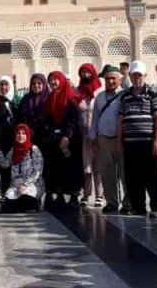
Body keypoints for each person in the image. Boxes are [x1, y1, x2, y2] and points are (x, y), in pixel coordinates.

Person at [118, 61, 157, 218]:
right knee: (133, 176)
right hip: (130, 143)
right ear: (130, 76)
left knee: (153, 175)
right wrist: (119, 142)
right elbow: (120, 120)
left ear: (145, 76)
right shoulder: (125, 95)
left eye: (140, 75)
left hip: (148, 141)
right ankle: (138, 206)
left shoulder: (153, 93)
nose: (137, 78)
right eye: (134, 75)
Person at [37, 71, 84, 207]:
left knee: (71, 167)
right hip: (54, 139)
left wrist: (66, 136)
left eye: (55, 79)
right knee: (57, 167)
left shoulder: (71, 97)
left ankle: (74, 196)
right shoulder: (51, 97)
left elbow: (72, 119)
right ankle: (59, 194)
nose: (53, 82)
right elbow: (48, 118)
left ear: (62, 80)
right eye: (51, 80)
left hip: (70, 139)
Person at [89, 65, 124, 214]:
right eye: (108, 78)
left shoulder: (125, 95)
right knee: (107, 172)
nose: (110, 81)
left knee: (124, 172)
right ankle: (111, 202)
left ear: (120, 79)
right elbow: (95, 118)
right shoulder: (100, 97)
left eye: (113, 78)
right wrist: (93, 137)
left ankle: (128, 202)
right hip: (104, 139)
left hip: (121, 139)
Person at [3, 124, 44, 212]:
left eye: (23, 133)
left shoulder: (34, 150)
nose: (21, 136)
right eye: (18, 133)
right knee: (8, 204)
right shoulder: (13, 150)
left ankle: (35, 203)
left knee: (26, 199)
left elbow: (38, 171)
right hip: (15, 185)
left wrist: (25, 184)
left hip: (32, 183)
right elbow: (5, 164)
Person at [76, 64, 101, 207]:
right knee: (86, 166)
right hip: (83, 136)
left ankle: (100, 195)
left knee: (98, 165)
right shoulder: (77, 92)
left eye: (87, 72)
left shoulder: (99, 91)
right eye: (83, 72)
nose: (85, 75)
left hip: (96, 135)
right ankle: (86, 194)